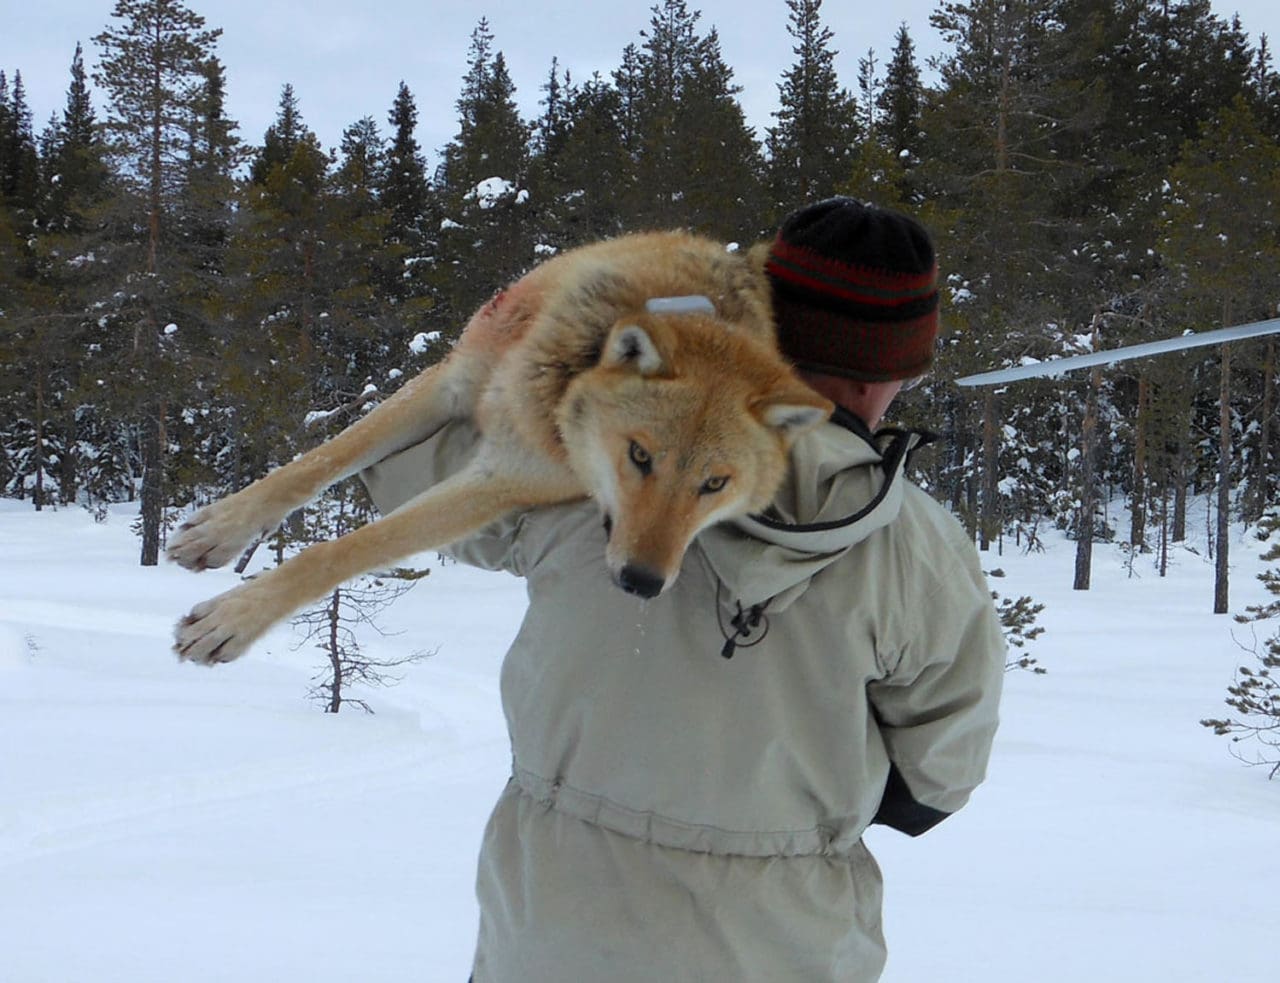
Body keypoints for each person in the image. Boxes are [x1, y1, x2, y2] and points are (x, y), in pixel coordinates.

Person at [362, 198, 1005, 982]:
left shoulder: (584, 460)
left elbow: (398, 465)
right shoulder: (916, 546)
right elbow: (939, 777)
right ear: (895, 372)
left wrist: (554, 341)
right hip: (786, 949)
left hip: (550, 944)